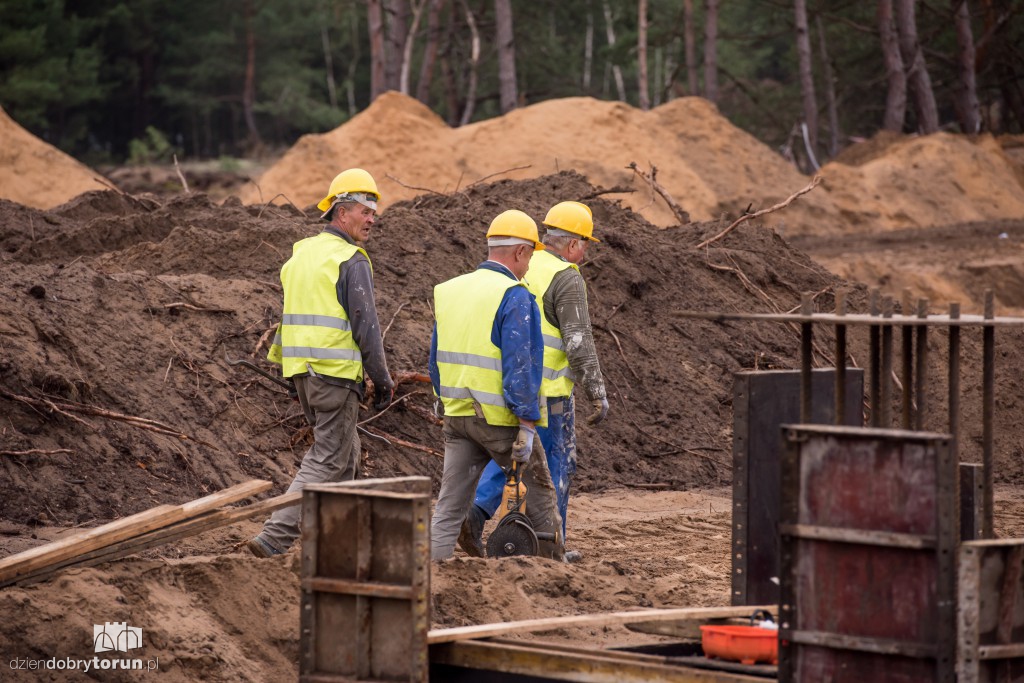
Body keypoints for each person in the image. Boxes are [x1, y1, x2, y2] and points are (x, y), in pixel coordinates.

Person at [248, 168, 394, 558]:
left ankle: (342, 540)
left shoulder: (302, 253)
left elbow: (292, 316)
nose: (372, 220)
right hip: (334, 375)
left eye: (374, 213)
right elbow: (366, 326)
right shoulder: (350, 259)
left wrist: (288, 369)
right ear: (341, 212)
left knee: (346, 456)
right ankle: (274, 537)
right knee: (327, 459)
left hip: (304, 373)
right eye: (365, 212)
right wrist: (382, 379)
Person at [458, 201, 608, 562]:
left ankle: (476, 511)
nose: (585, 254)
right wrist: (596, 392)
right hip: (549, 394)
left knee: (512, 455)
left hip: (509, 385)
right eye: (585, 245)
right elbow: (578, 341)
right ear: (572, 244)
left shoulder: (520, 264)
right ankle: (550, 548)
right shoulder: (566, 277)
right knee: (553, 469)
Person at [429, 209, 563, 561]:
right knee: (540, 495)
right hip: (499, 420)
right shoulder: (514, 294)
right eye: (529, 257)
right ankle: (555, 573)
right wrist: (527, 423)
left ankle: (432, 571)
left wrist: (442, 400)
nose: (529, 266)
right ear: (520, 252)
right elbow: (521, 365)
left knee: (449, 505)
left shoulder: (450, 290)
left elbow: (435, 357)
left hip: (457, 415)